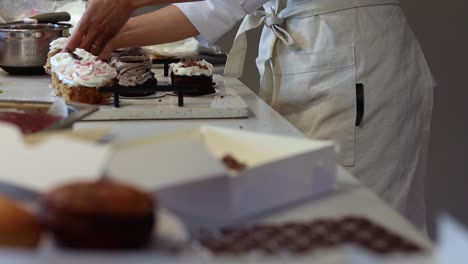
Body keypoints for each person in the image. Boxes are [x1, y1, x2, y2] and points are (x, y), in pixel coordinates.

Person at [67, 0, 434, 231]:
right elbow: (219, 6)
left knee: (356, 219)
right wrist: (106, 37)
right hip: (308, 55)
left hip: (351, 61)